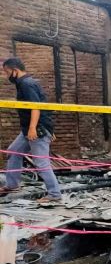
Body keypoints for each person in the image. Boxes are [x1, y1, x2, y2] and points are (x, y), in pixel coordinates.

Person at [0, 58, 61, 202]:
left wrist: (34, 128)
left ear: (15, 70)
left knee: (41, 163)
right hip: (29, 129)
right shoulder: (24, 84)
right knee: (13, 151)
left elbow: (36, 107)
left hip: (35, 130)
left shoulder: (27, 84)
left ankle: (54, 194)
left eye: (7, 72)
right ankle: (12, 184)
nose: (6, 75)